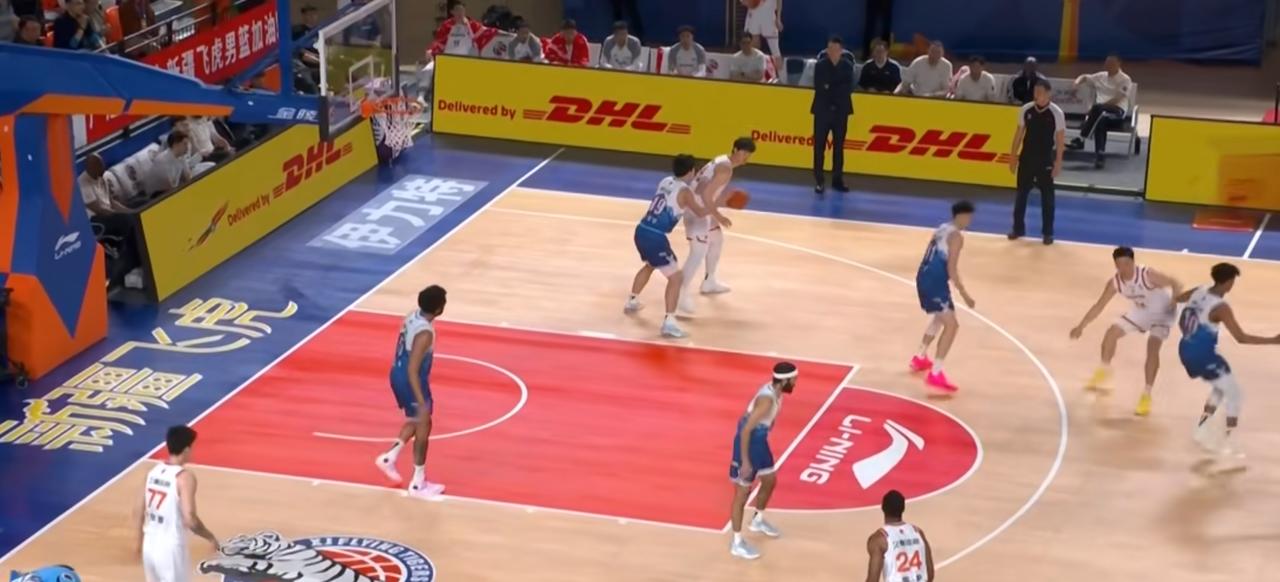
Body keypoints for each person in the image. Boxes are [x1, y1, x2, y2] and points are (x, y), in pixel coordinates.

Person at [1175, 263, 1280, 463]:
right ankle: (1229, 441)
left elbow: (1178, 298)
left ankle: (1202, 427)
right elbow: (1241, 338)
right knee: (1235, 394)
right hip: (1201, 353)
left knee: (1221, 385)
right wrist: (1274, 340)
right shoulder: (1221, 307)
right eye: (1233, 281)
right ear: (1229, 282)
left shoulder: (1199, 290)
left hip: (1186, 348)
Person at [1069, 247, 1182, 416]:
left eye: (1127, 263)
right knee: (1111, 333)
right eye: (1120, 264)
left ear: (1133, 262)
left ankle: (1146, 396)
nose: (1124, 268)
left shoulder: (1147, 275)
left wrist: (1174, 300)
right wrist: (1081, 326)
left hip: (1163, 312)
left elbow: (1175, 282)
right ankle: (1104, 371)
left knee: (1152, 347)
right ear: (1115, 265)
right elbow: (1099, 306)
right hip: (1142, 311)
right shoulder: (1115, 282)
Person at [625, 154, 727, 339]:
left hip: (641, 230)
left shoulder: (665, 181)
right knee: (676, 278)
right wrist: (720, 203)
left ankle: (632, 300)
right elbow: (700, 212)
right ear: (691, 171)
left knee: (650, 265)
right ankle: (669, 323)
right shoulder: (685, 192)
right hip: (655, 236)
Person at [375, 285, 448, 498]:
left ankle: (389, 457)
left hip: (397, 373)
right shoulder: (425, 333)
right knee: (424, 424)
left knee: (415, 420)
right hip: (410, 379)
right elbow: (413, 369)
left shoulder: (413, 315)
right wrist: (420, 400)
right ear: (439, 309)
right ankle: (418, 484)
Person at [728, 362, 798, 560]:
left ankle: (757, 520)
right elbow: (745, 430)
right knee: (742, 493)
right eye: (793, 380)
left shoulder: (777, 393)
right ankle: (736, 542)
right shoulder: (766, 400)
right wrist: (745, 461)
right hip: (747, 443)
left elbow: (759, 418)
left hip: (759, 442)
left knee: (769, 480)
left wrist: (768, 427)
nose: (795, 383)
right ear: (783, 381)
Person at [677, 137, 755, 315]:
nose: (745, 157)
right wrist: (718, 215)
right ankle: (680, 294)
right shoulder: (725, 170)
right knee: (697, 253)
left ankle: (709, 281)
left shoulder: (722, 160)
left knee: (717, 239)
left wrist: (721, 204)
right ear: (735, 150)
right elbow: (706, 195)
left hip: (700, 207)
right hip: (696, 211)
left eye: (748, 154)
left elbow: (708, 191)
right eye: (743, 153)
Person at [136, 425, 218, 582]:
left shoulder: (152, 472)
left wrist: (139, 543)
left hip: (149, 545)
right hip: (170, 549)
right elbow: (190, 518)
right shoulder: (184, 477)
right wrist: (210, 537)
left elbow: (138, 511)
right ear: (186, 449)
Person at [910, 201, 977, 393]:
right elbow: (952, 269)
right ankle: (936, 373)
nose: (970, 221)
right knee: (952, 325)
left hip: (925, 277)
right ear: (961, 216)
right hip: (934, 282)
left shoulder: (942, 228)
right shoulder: (956, 237)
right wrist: (965, 294)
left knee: (939, 318)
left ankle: (920, 357)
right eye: (969, 217)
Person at [1007, 79, 1064, 245]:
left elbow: (1060, 140)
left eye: (1040, 92)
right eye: (1035, 92)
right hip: (1027, 157)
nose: (1037, 95)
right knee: (1021, 195)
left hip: (1045, 159)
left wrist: (1058, 162)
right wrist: (1013, 156)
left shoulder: (1056, 113)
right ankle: (1018, 228)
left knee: (1047, 198)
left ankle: (1048, 232)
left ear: (1048, 93)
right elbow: (1018, 135)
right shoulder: (1026, 109)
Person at [1069, 54, 1133, 169]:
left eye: (1111, 63)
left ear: (1119, 64)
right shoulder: (1100, 76)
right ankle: (1100, 156)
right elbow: (1084, 77)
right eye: (1107, 63)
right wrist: (1076, 84)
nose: (1108, 65)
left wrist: (1098, 107)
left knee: (1098, 109)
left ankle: (1082, 138)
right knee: (1100, 121)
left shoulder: (1125, 79)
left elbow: (1118, 99)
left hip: (1117, 112)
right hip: (1100, 114)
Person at [811, 36, 854, 195]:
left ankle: (837, 180)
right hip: (822, 110)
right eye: (830, 49)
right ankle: (819, 180)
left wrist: (830, 86)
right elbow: (819, 86)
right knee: (819, 147)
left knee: (838, 147)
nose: (832, 52)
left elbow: (848, 88)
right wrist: (833, 87)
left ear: (841, 50)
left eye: (835, 49)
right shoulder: (820, 65)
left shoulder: (847, 66)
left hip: (841, 111)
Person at [865, 490, 933, 582]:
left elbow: (873, 579)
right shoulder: (918, 532)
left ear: (883, 508)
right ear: (903, 508)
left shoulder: (879, 539)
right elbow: (929, 574)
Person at [741, 0, 781, 72]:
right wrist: (747, 2)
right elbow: (743, 2)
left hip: (769, 15)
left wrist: (778, 18)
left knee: (775, 50)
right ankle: (753, 73)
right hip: (754, 15)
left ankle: (781, 76)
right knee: (753, 48)